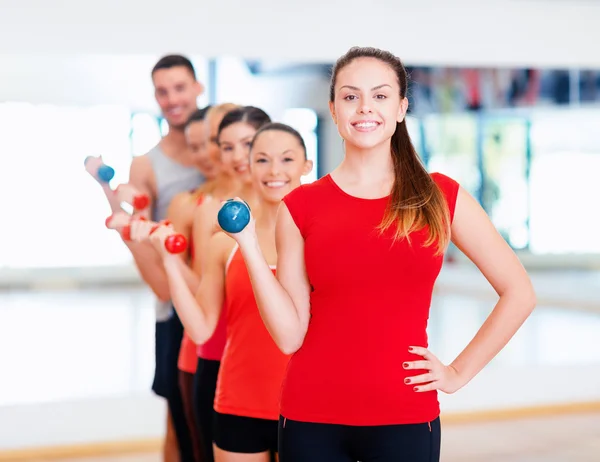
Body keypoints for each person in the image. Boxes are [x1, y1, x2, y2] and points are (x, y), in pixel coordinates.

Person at [221, 47, 537, 462]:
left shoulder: (440, 196)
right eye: (351, 96)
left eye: (381, 95)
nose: (365, 107)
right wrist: (246, 243)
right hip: (310, 414)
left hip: (404, 416)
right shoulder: (300, 206)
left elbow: (519, 292)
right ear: (333, 110)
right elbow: (289, 334)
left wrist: (458, 372)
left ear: (402, 107)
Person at [148, 122, 312, 462]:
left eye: (286, 159)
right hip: (237, 402)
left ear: (305, 167)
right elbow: (201, 328)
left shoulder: (320, 243)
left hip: (306, 406)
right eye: (263, 160)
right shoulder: (225, 244)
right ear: (249, 167)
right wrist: (169, 261)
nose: (274, 171)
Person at [87, 54, 205, 462]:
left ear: (198, 88)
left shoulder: (221, 150)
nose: (172, 99)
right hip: (174, 307)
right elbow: (139, 237)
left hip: (227, 303)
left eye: (179, 87)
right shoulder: (146, 164)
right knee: (181, 421)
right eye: (162, 91)